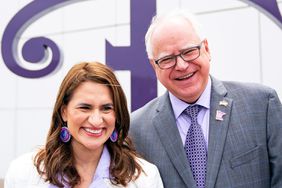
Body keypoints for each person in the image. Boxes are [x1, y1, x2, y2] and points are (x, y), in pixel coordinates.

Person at [129, 9, 282, 188]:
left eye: (189, 51)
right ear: (154, 65)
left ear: (206, 49)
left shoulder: (261, 105)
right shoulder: (136, 130)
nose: (181, 65)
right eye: (167, 59)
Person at [5, 62, 163, 188]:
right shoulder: (22, 173)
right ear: (64, 111)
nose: (96, 120)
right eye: (85, 108)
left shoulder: (145, 178)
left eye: (106, 108)